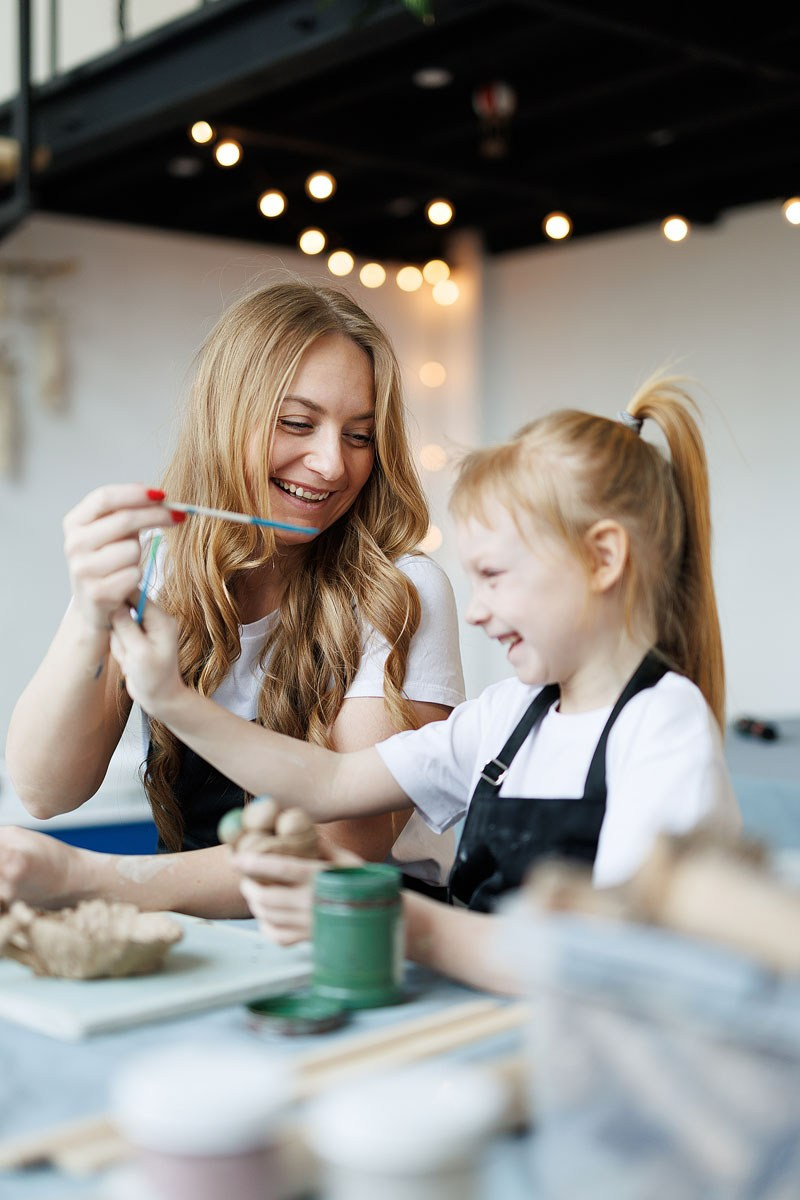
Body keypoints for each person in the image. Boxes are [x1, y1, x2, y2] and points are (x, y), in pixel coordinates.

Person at [3, 371, 742, 995]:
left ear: (604, 558)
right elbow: (328, 785)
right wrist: (168, 698)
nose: (476, 608)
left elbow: (619, 969)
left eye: (492, 575)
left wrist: (401, 919)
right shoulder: (509, 719)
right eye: (298, 422)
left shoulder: (662, 724)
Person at [2, 279, 465, 916]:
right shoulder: (154, 569)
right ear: (227, 418)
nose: (332, 465)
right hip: (196, 940)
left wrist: (90, 878)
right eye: (298, 424)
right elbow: (44, 790)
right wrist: (89, 612)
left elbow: (344, 853)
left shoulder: (401, 589)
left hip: (357, 937)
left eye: (359, 436)